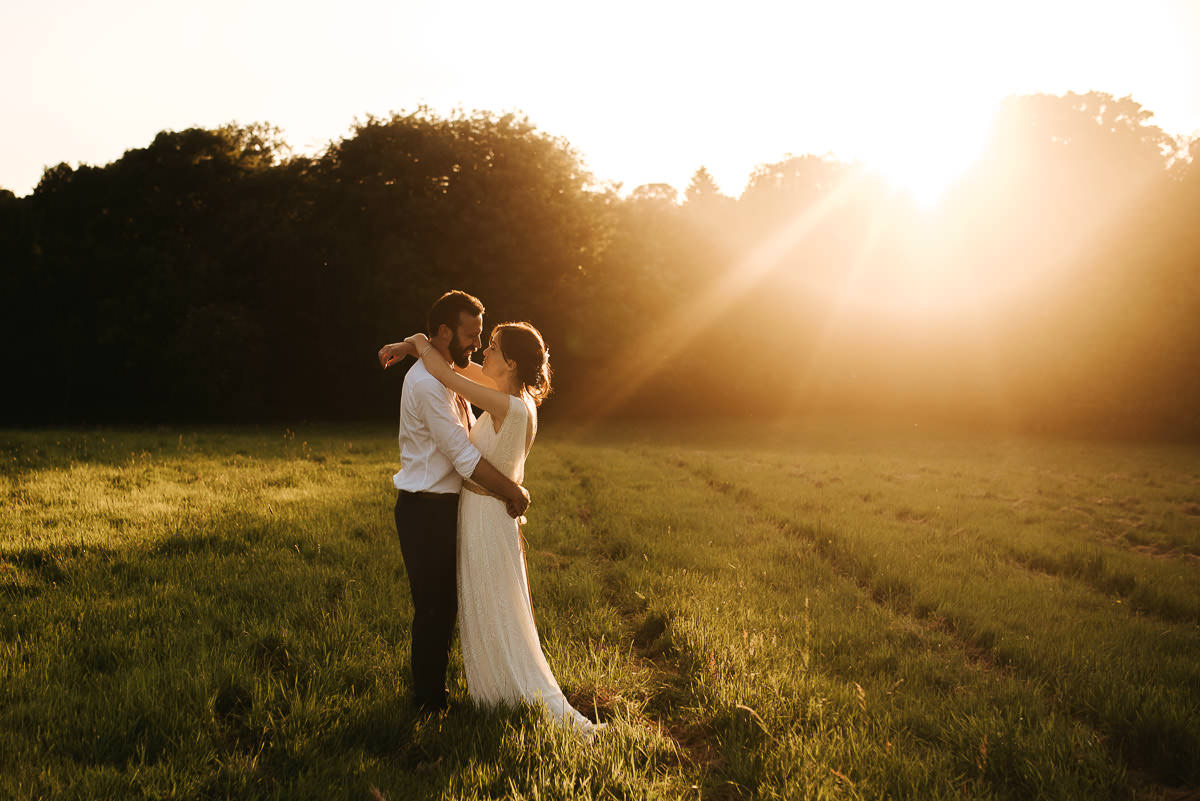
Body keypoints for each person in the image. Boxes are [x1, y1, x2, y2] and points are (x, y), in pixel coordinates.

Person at [379, 315, 602, 735]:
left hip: (485, 516)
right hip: (485, 515)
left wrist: (415, 342)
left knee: (494, 606)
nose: (485, 351)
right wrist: (417, 345)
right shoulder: (513, 397)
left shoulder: (510, 406)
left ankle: (507, 694)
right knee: (489, 606)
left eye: (494, 347)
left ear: (513, 363)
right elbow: (458, 367)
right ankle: (494, 692)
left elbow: (448, 374)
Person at [382, 290, 530, 714]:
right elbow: (465, 458)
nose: (478, 346)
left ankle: (455, 693)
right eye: (471, 335)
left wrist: (412, 342)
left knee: (447, 607)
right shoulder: (429, 384)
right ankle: (427, 704)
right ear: (444, 332)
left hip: (447, 509)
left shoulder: (450, 373)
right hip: (425, 510)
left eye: (482, 336)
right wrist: (513, 492)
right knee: (434, 609)